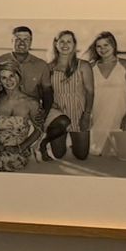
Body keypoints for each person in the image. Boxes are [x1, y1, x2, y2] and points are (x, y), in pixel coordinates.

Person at [86, 30, 126, 160]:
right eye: (99, 46)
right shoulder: (90, 67)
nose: (102, 49)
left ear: (114, 45)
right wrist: (87, 115)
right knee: (100, 152)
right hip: (99, 117)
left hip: (122, 117)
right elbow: (87, 94)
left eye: (106, 45)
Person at [43, 29, 95, 162]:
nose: (65, 44)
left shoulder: (83, 65)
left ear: (74, 44)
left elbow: (90, 91)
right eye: (62, 41)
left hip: (79, 112)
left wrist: (86, 115)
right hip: (58, 114)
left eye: (69, 41)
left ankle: (73, 140)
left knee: (81, 155)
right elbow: (43, 92)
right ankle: (59, 138)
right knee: (59, 155)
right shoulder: (48, 67)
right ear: (56, 44)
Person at [0, 26, 51, 120]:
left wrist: (44, 114)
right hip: (3, 112)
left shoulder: (41, 65)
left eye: (26, 39)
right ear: (12, 41)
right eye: (18, 39)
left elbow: (47, 93)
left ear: (31, 42)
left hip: (31, 112)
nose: (22, 42)